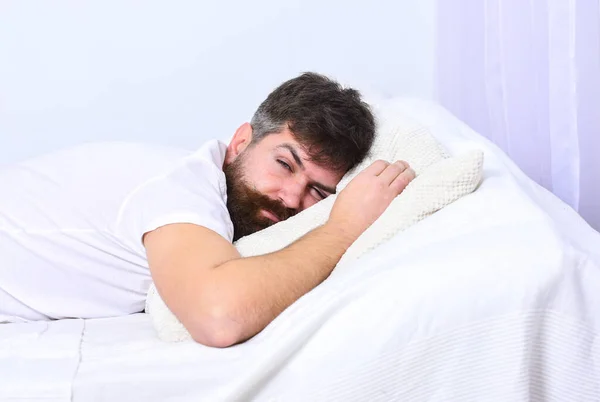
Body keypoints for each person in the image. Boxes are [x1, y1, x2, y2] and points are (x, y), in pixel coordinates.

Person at [0, 72, 415, 347]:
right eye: (284, 164)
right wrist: (343, 227)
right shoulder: (182, 188)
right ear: (240, 143)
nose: (291, 198)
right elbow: (220, 316)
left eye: (317, 193)